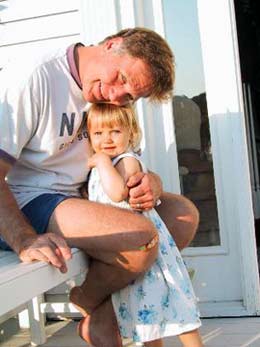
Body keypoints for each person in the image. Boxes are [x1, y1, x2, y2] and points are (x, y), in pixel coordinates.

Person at [0, 27, 199, 347]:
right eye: (120, 78)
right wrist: (24, 239)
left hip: (89, 195)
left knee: (183, 216)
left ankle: (103, 321)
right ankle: (89, 303)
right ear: (112, 44)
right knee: (141, 240)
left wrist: (152, 184)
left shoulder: (113, 97)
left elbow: (127, 158)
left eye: (131, 96)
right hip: (32, 199)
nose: (118, 95)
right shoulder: (34, 76)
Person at [76, 103, 203, 347]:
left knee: (176, 306)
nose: (107, 139)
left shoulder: (126, 161)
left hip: (150, 255)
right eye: (98, 133)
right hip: (130, 250)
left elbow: (116, 192)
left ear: (131, 132)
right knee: (147, 319)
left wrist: (101, 162)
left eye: (115, 131)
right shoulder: (107, 165)